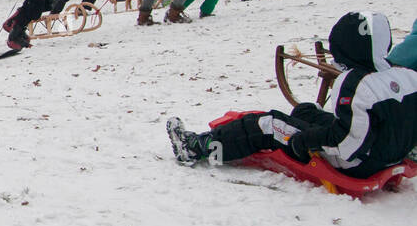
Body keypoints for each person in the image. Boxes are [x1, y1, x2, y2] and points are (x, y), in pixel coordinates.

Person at [167, 12, 417, 177]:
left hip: (355, 163)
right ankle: (303, 121)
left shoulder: (356, 83)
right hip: (385, 154)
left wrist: (305, 140)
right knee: (306, 111)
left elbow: (347, 144)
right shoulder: (406, 76)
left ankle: (197, 147)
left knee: (266, 124)